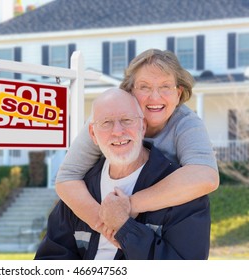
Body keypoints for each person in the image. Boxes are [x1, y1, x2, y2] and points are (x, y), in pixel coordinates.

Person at [55, 49, 219, 236]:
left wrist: (130, 205)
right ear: (130, 91)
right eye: (144, 87)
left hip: (163, 225)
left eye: (165, 86)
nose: (155, 97)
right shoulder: (105, 117)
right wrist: (106, 225)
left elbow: (206, 177)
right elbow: (67, 177)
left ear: (178, 93)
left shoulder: (186, 124)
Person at [34, 89, 210, 260]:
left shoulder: (182, 193)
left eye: (127, 120)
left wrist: (126, 229)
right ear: (92, 134)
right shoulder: (81, 192)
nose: (117, 131)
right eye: (106, 123)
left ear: (143, 127)